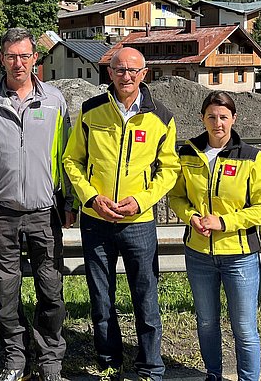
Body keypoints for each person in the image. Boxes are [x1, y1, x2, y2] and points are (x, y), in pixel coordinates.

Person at [63, 47, 180, 381]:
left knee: (145, 298)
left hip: (138, 223)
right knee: (101, 298)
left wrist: (142, 201)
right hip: (96, 221)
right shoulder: (91, 111)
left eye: (133, 70)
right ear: (109, 73)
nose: (126, 76)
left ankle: (150, 366)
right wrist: (90, 197)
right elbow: (72, 160)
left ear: (144, 73)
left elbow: (168, 170)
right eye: (119, 69)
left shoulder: (161, 116)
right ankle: (109, 360)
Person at [0, 27, 74, 381]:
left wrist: (68, 201)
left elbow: (68, 156)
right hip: (1, 215)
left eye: (24, 56)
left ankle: (50, 361)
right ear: (1, 59)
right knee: (6, 294)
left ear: (35, 59)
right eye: (11, 56)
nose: (18, 63)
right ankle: (15, 360)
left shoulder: (55, 101)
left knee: (51, 292)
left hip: (45, 213)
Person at [168, 91, 261, 381]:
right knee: (206, 322)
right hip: (199, 254)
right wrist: (191, 217)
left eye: (224, 117)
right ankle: (213, 374)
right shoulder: (188, 152)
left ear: (234, 119)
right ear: (202, 118)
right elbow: (176, 197)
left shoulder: (252, 157)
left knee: (244, 327)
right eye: (212, 117)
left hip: (239, 256)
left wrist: (224, 222)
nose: (218, 123)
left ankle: (248, 379)